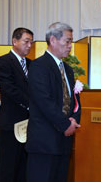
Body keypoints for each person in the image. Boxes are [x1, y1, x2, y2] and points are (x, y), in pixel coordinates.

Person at [26, 22, 81, 182]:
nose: (70, 46)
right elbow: (44, 101)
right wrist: (65, 125)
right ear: (53, 40)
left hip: (64, 142)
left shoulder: (68, 70)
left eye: (71, 41)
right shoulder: (38, 66)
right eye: (67, 41)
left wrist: (74, 120)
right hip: (44, 142)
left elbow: (75, 100)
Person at [0, 27, 33, 182]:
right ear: (14, 41)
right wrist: (31, 104)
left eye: (31, 41)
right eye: (26, 41)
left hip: (30, 124)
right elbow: (9, 89)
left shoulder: (32, 64)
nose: (29, 45)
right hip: (11, 123)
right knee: (9, 166)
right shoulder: (3, 61)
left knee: (24, 166)